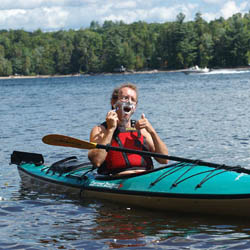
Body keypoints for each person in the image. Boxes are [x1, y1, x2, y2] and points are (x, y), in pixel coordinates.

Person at [88, 83, 168, 175]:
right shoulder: (100, 130)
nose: (129, 102)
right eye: (125, 98)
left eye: (133, 99)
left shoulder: (142, 130)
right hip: (117, 180)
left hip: (146, 178)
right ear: (114, 103)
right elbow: (96, 161)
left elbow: (164, 160)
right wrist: (111, 129)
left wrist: (152, 132)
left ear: (135, 106)